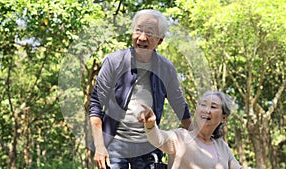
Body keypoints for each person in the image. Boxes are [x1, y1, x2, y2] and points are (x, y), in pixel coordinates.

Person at [89, 9, 192, 169]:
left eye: (149, 33)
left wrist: (201, 139)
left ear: (160, 40)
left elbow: (180, 107)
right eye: (138, 30)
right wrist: (100, 146)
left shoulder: (166, 68)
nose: (142, 37)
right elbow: (96, 104)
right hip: (115, 143)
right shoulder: (114, 62)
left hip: (148, 145)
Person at [139, 91, 243, 169]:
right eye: (203, 105)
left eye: (213, 107)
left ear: (224, 117)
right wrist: (151, 125)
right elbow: (158, 139)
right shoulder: (181, 138)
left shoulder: (222, 147)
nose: (206, 110)